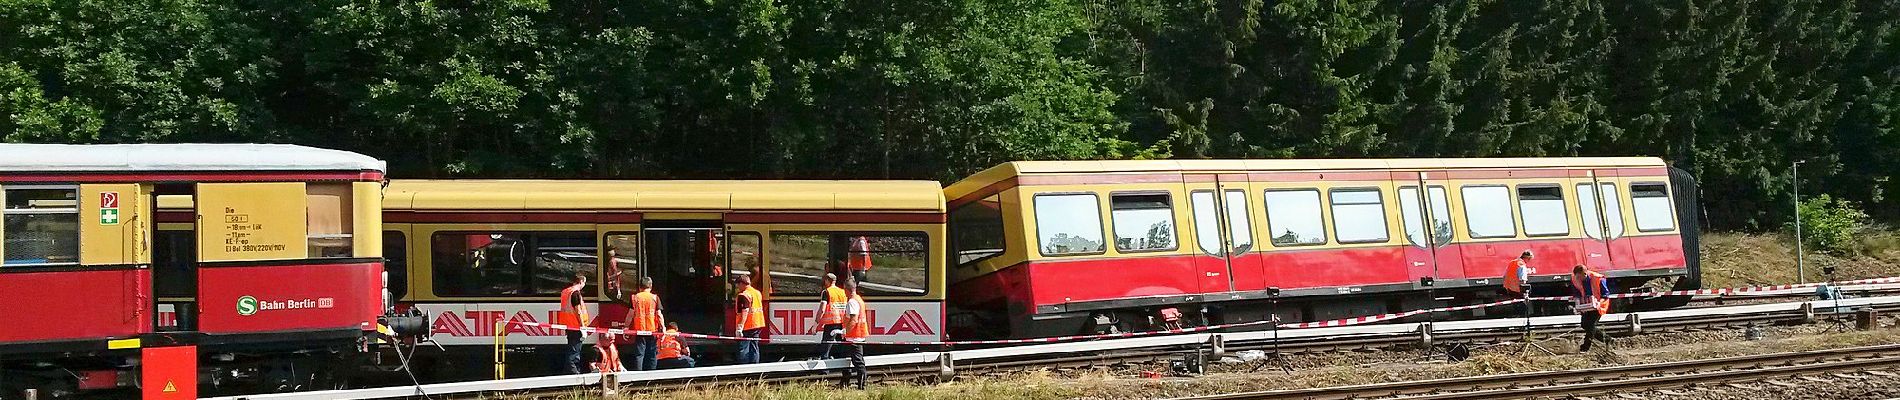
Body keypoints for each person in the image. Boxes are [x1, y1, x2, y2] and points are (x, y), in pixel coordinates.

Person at [625, 277, 665, 371]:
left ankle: (639, 375)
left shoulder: (635, 298)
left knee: (639, 354)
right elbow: (659, 315)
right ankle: (651, 375)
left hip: (639, 330)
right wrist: (663, 327)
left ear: (640, 287)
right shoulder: (655, 298)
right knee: (652, 354)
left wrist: (626, 327)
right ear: (650, 286)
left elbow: (630, 314)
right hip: (652, 330)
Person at [1570, 264, 1612, 351]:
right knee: (1584, 325)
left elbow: (1605, 295)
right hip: (1586, 306)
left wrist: (1598, 303)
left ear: (1584, 274)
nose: (1577, 279)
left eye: (1579, 276)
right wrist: (1579, 305)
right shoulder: (1575, 280)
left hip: (1599, 305)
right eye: (1576, 276)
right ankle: (1608, 339)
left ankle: (1585, 347)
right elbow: (1577, 294)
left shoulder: (1598, 278)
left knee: (1590, 325)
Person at [556, 272, 590, 374]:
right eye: (584, 282)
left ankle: (568, 372)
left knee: (572, 349)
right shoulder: (575, 293)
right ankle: (574, 373)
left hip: (569, 326)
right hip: (576, 326)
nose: (584, 285)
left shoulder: (566, 292)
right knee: (574, 352)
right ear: (580, 281)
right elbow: (578, 311)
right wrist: (582, 327)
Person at [840, 278, 870, 389]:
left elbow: (853, 319)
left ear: (846, 289)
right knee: (850, 361)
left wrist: (845, 331)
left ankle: (862, 385)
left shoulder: (852, 302)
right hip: (857, 335)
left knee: (857, 361)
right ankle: (846, 383)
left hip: (854, 337)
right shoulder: (859, 299)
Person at [734, 272, 767, 364]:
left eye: (738, 285)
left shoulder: (744, 295)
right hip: (758, 323)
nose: (738, 287)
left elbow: (745, 311)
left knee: (744, 348)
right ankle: (755, 369)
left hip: (748, 326)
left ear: (742, 284)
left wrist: (740, 327)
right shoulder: (757, 293)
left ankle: (744, 370)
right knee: (754, 347)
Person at [815, 273, 847, 359]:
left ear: (827, 281)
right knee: (843, 348)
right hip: (842, 323)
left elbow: (822, 309)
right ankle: (847, 371)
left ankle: (824, 371)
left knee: (825, 348)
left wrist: (816, 324)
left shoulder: (826, 292)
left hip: (831, 324)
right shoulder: (842, 292)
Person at [1504, 250, 1536, 316]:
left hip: (1509, 287)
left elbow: (1505, 275)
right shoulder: (1521, 265)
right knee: (1522, 307)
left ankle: (1517, 318)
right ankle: (1522, 321)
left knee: (1515, 305)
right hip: (1517, 289)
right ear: (1526, 258)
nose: (1529, 261)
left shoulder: (1512, 262)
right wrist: (1525, 291)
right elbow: (1522, 279)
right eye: (1529, 259)